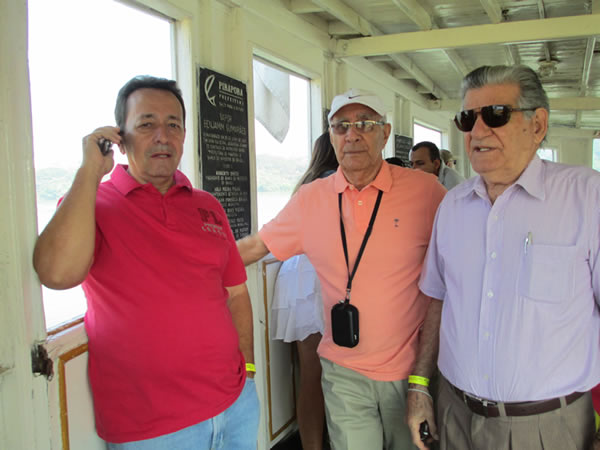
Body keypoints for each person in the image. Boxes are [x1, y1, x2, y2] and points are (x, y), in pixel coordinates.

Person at [33, 76, 259, 449]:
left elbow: (236, 293)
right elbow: (56, 274)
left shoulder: (208, 206)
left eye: (173, 125)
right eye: (146, 124)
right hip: (151, 428)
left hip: (236, 405)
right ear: (120, 139)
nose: (162, 136)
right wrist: (90, 170)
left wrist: (248, 370)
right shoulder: (93, 204)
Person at [238, 88, 446, 449]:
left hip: (412, 373)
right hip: (343, 372)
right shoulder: (311, 198)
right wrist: (182, 262)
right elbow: (256, 246)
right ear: (331, 136)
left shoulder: (426, 191)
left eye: (365, 124)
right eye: (341, 126)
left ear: (385, 132)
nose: (352, 135)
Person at [407, 65, 600, 450]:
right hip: (455, 416)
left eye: (496, 115)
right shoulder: (452, 207)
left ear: (537, 125)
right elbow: (439, 300)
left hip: (549, 428)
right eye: (468, 119)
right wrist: (419, 385)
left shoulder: (587, 198)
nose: (478, 131)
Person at [271, 131, 338, 450]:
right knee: (337, 374)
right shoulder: (336, 183)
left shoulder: (306, 184)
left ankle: (312, 445)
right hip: (320, 278)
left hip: (295, 277)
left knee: (309, 373)